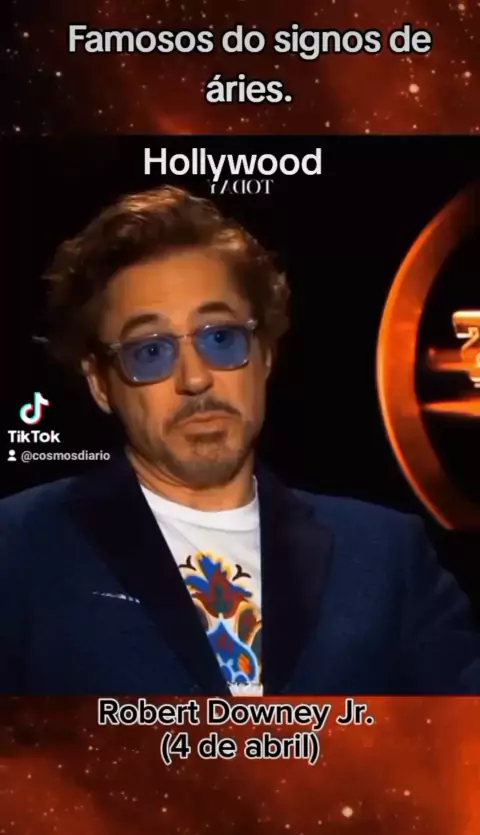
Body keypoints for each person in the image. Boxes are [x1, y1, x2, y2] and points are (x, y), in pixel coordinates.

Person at [1, 186, 480, 696]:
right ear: (101, 383)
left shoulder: (387, 556)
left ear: (265, 355)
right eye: (150, 351)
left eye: (220, 338)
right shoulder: (20, 548)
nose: (196, 379)